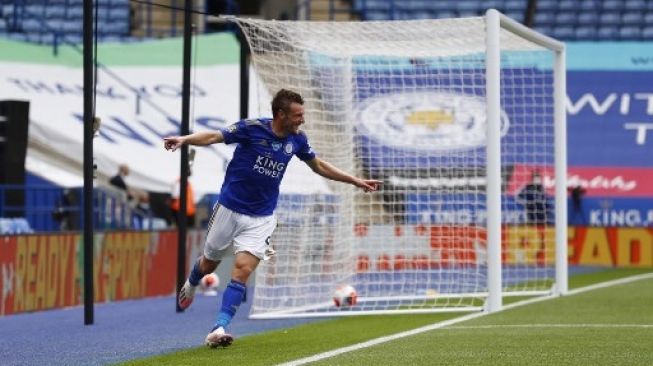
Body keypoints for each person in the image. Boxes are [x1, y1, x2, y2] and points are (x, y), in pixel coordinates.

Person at [163, 89, 382, 348]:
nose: (302, 120)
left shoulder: (298, 140)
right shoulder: (251, 128)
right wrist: (184, 139)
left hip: (261, 217)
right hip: (229, 209)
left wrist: (354, 180)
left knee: (242, 270)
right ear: (281, 114)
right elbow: (213, 135)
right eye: (298, 115)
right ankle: (191, 282)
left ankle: (219, 327)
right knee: (209, 264)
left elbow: (318, 165)